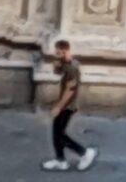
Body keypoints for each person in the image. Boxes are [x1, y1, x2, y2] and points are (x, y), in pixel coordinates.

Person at [42, 40, 97, 172]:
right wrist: (56, 64)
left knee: (60, 134)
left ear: (66, 51)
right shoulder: (66, 63)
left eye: (59, 53)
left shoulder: (72, 67)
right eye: (56, 52)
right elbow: (57, 73)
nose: (57, 55)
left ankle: (84, 153)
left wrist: (58, 107)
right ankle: (60, 161)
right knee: (56, 132)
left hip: (68, 106)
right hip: (64, 104)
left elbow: (70, 90)